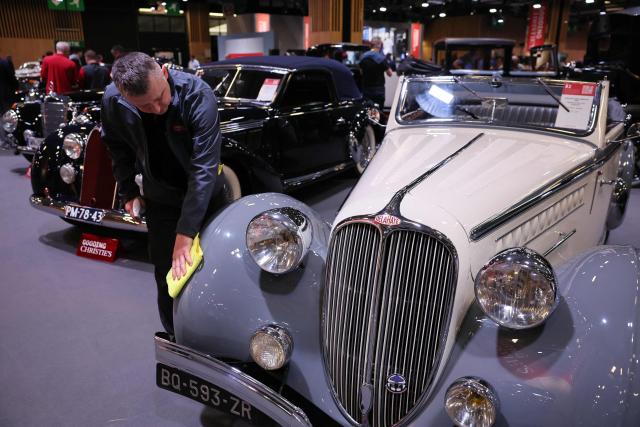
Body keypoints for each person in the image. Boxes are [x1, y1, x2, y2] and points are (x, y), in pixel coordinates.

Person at [101, 52, 226, 335]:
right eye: (145, 106)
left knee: (219, 267)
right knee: (166, 273)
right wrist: (129, 192)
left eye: (161, 97)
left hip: (208, 195)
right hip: (161, 196)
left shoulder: (198, 94)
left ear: (164, 74)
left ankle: (220, 336)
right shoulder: (112, 101)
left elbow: (204, 168)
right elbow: (117, 149)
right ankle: (175, 337)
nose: (158, 108)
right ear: (124, 96)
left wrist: (185, 233)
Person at [359, 37, 392, 107]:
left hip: (366, 90)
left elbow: (361, 72)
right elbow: (390, 73)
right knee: (379, 112)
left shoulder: (363, 57)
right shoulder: (381, 58)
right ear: (379, 45)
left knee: (367, 111)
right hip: (378, 91)